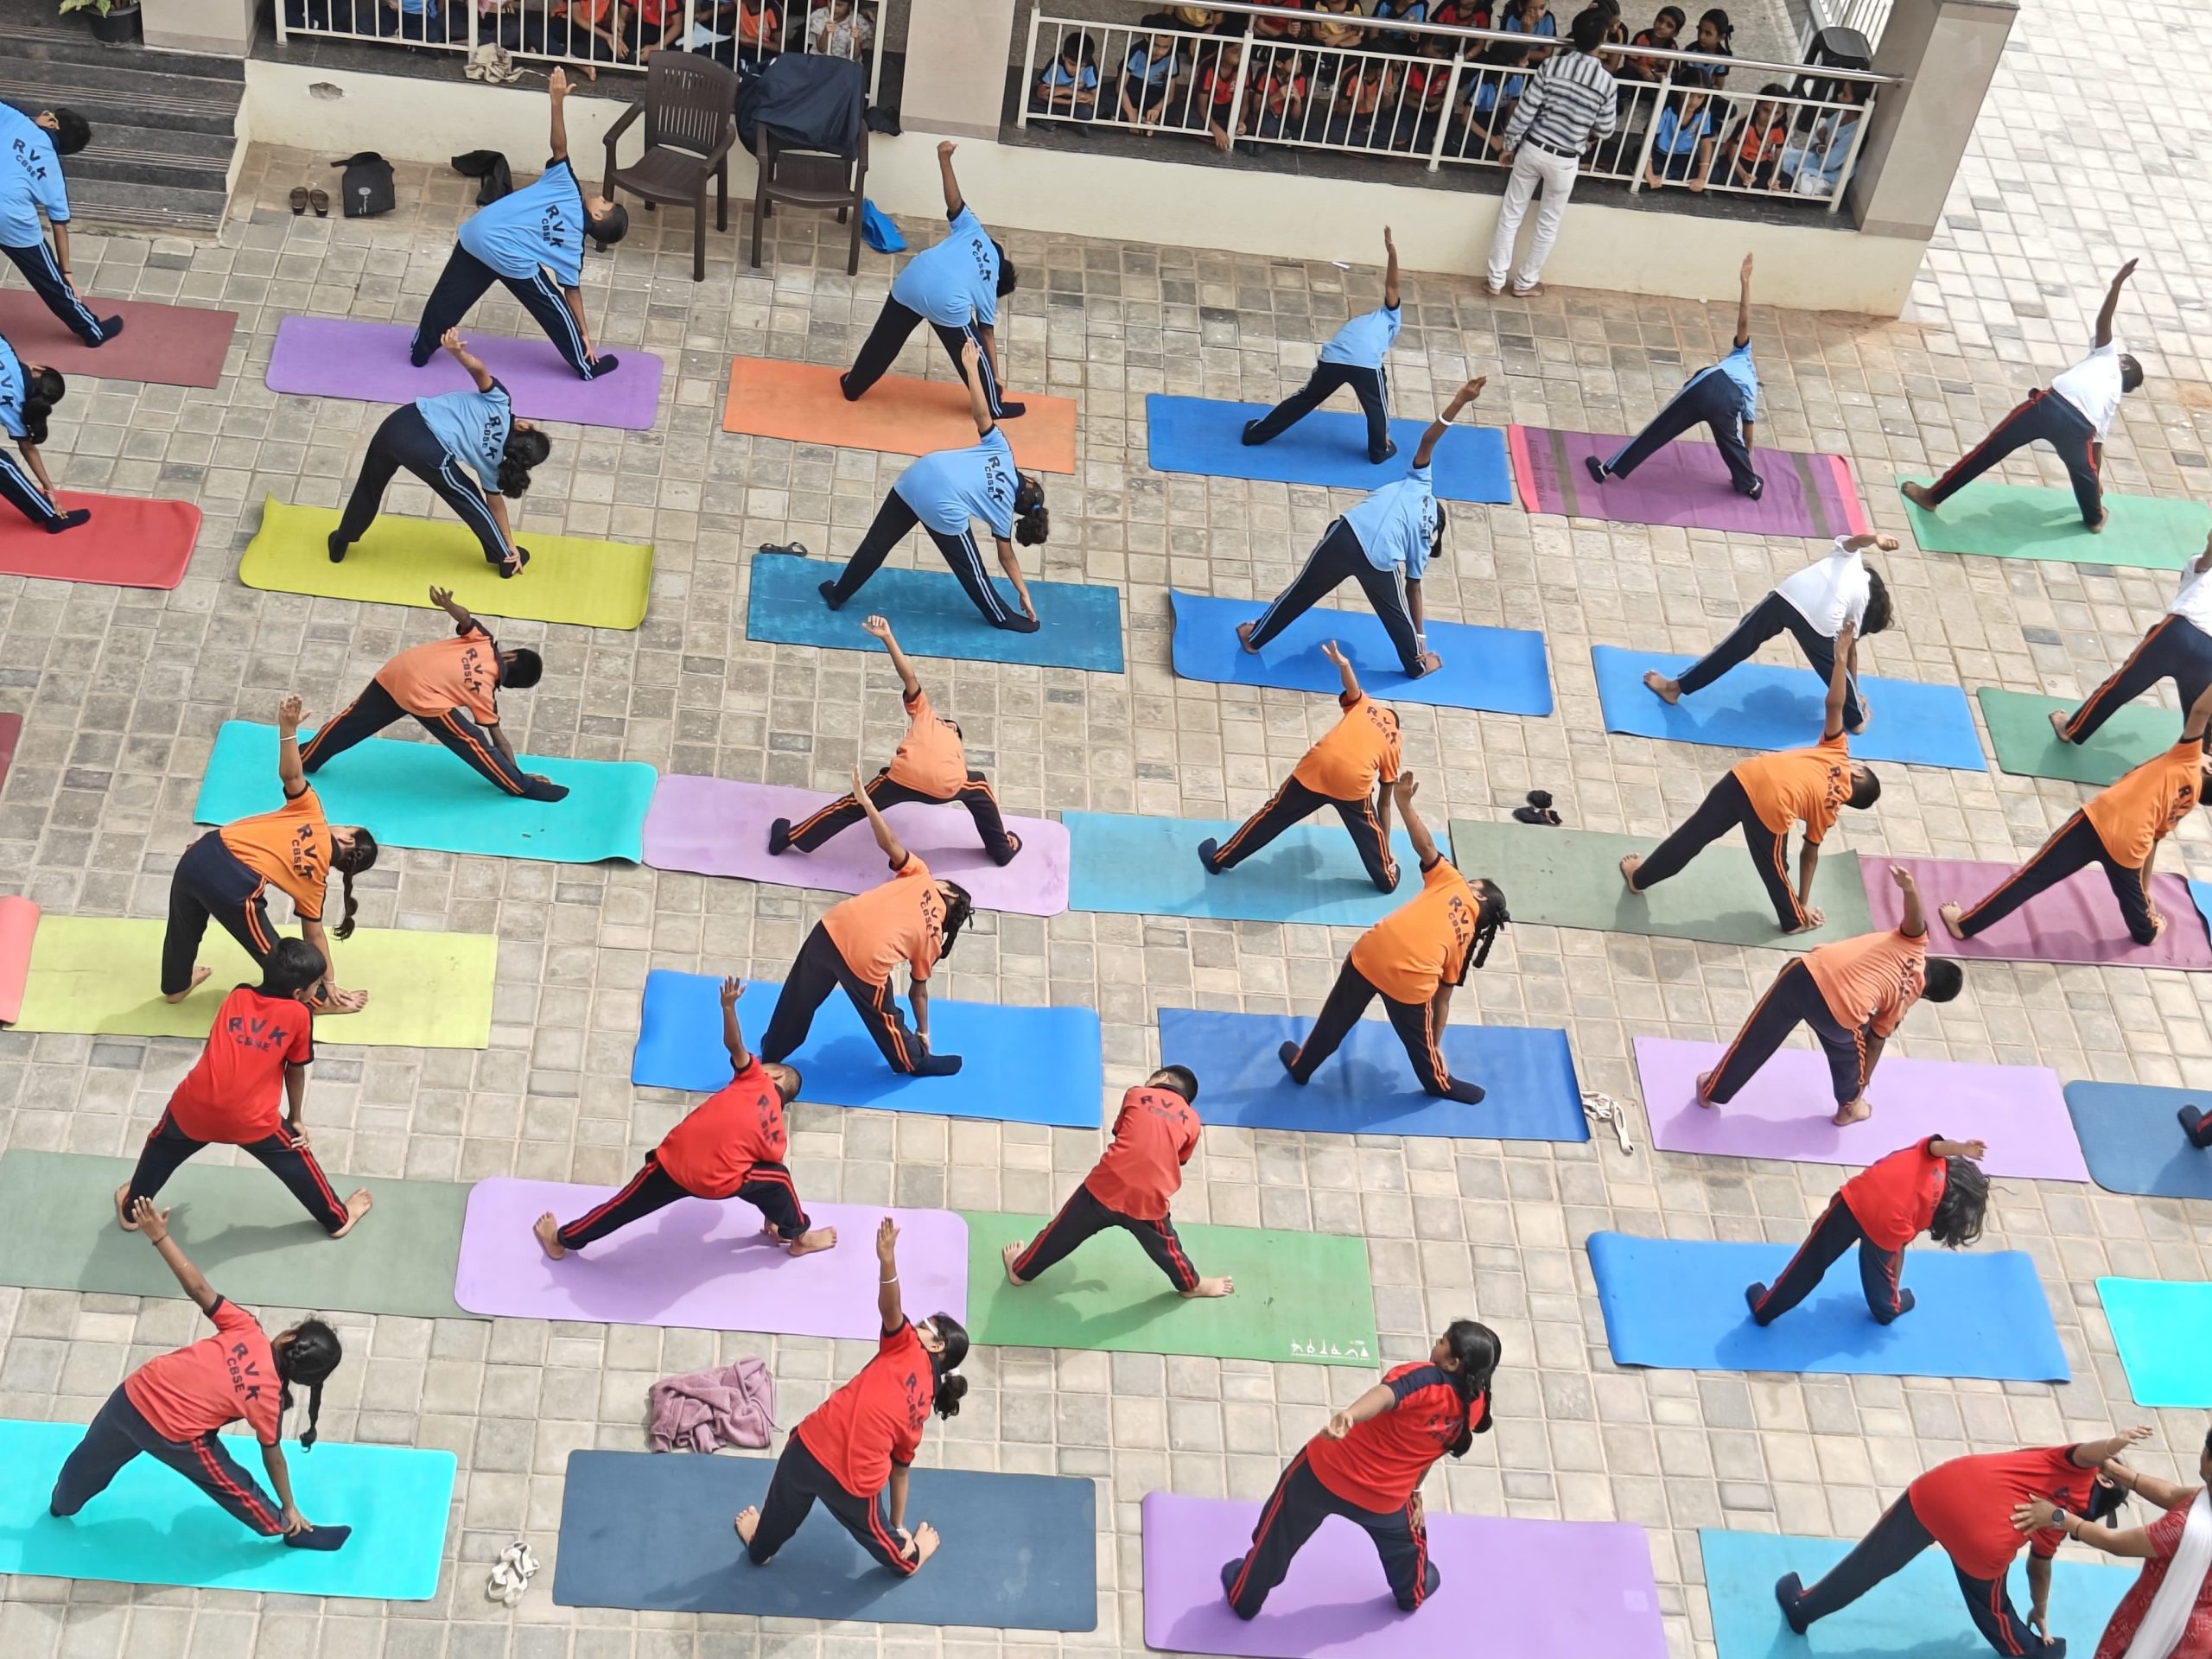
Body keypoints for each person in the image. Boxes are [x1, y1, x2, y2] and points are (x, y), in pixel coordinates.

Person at [48, 1198, 352, 1550]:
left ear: (288, 1336)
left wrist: (159, 1236)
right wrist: (289, 1505)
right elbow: (273, 1456)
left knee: (90, 1460)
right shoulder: (268, 1399)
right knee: (235, 1486)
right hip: (173, 1434)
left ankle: (61, 1504)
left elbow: (198, 1288)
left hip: (134, 1394)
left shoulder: (246, 1328)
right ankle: (289, 1529)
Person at [1775, 1427, 2154, 1656]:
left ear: (2104, 1478)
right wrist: (2040, 1610)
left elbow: (2089, 1451)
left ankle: (1802, 1607)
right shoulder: (2064, 1520)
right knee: (1995, 1612)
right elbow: (2039, 1566)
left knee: (1868, 1565)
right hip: (1982, 1546)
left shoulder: (2078, 1466)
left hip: (1938, 1495)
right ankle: (2035, 1654)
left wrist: (2112, 1445)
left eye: (2114, 1469)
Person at [535, 977, 836, 1261]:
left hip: (671, 1162)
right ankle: (797, 1236)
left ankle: (560, 1240)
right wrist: (773, 1217)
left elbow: (734, 1046)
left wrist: (728, 1007)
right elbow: (767, 1179)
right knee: (778, 1177)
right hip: (711, 1181)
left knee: (620, 1207)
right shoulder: (776, 1135)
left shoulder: (755, 1077)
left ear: (776, 1073)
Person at [735, 1217, 969, 1576]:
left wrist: (900, 1527)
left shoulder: (915, 1374)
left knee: (772, 1529)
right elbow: (900, 1472)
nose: (917, 1325)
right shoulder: (910, 1370)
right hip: (846, 1479)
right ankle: (909, 1552)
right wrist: (887, 1261)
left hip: (808, 1450)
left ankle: (762, 1544)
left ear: (937, 1346)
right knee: (899, 1558)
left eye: (927, 1325)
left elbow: (900, 1472)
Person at [1222, 1319, 1500, 1618]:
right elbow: (1428, 1450)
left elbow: (1386, 1395)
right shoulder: (1474, 1408)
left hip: (1322, 1474)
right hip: (1385, 1501)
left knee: (1275, 1537)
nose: (1437, 1341)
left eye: (1443, 1341)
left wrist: (1350, 1415)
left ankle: (1246, 1595)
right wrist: (1415, 1491)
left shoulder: (1424, 1377)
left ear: (1453, 1362)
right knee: (1408, 1552)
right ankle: (1412, 1593)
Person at [1622, 625, 1877, 933]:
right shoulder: (1829, 810)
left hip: (1746, 776)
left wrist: (1839, 660)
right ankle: (1795, 918)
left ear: (1859, 771)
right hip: (1770, 806)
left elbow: (1834, 704)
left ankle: (1639, 878)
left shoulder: (1837, 751)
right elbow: (1809, 856)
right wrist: (1803, 899)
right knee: (1775, 868)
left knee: (1693, 836)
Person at [117, 938, 374, 1239]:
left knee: (159, 1147)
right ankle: (337, 1218)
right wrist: (296, 1119)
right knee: (296, 1156)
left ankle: (131, 1211)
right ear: (297, 993)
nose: (316, 992)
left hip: (193, 1106)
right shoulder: (299, 1014)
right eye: (315, 987)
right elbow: (295, 1070)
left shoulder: (238, 994)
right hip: (252, 1120)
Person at [1279, 776, 1507, 1104]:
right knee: (1421, 1047)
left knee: (1334, 1021)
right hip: (1409, 983)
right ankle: (1439, 1082)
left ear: (1479, 894)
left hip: (1371, 954)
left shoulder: (1453, 881)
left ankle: (1302, 1066)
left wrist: (1404, 802)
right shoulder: (1467, 938)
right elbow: (1441, 1001)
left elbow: (1425, 846)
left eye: (1475, 881)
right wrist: (1436, 1046)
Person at [1237, 378, 1486, 679]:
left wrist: (1459, 400)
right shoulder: (1423, 539)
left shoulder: (1421, 483)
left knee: (1300, 592)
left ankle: (1254, 638)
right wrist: (1421, 637)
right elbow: (1413, 589)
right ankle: (1418, 664)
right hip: (1378, 562)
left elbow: (1429, 439)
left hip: (1344, 535)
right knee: (1396, 619)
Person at [1942, 681, 2212, 950]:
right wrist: (2145, 889)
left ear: (2209, 770)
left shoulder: (2186, 759)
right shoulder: (2186, 803)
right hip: (2128, 852)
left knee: (2030, 878)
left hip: (2094, 823)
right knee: (2143, 930)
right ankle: (2149, 929)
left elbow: (2200, 711)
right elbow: (2153, 841)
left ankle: (1964, 925)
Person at [1696, 866, 1965, 1127]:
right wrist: (1859, 1092)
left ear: (1932, 958)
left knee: (1758, 1037)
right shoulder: (1903, 1003)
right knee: (1851, 1048)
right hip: (1837, 1014)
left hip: (1801, 973)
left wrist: (1910, 889)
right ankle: (1848, 1109)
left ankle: (1711, 1089)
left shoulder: (1914, 942)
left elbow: (1915, 919)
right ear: (1928, 997)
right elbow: (1874, 1044)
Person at [162, 696, 376, 1014]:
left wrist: (287, 729)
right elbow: (314, 935)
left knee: (183, 925)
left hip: (199, 855)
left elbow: (291, 776)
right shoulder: (315, 883)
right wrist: (329, 983)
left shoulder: (312, 812)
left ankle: (176, 986)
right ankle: (316, 1000)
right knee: (278, 956)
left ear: (346, 837)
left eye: (346, 826)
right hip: (232, 886)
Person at [408, 70, 626, 382]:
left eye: (606, 204)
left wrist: (555, 102)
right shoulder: (568, 215)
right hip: (499, 250)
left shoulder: (568, 189)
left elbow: (560, 150)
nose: (603, 197)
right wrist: (584, 335)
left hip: (476, 235)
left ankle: (419, 352)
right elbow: (570, 294)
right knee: (551, 307)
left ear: (597, 218)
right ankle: (586, 364)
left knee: (447, 299)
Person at [819, 337, 1046, 632]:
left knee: (876, 544)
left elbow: (981, 413)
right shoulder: (1004, 511)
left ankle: (838, 594)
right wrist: (1023, 592)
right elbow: (1006, 557)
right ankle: (1001, 616)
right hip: (940, 502)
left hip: (918, 474)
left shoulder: (1002, 450)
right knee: (971, 569)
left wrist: (971, 369)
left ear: (1028, 480)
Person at [760, 766, 975, 1077]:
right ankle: (915, 1061)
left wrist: (868, 804)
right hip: (864, 960)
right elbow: (919, 992)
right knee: (887, 1019)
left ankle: (772, 1053)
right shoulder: (932, 940)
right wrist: (924, 1032)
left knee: (797, 999)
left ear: (947, 889)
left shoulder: (921, 874)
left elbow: (888, 843)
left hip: (832, 926)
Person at [1903, 261, 2139, 533]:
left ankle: (1932, 497)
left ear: (2124, 365)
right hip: (2080, 428)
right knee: (2083, 475)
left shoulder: (2108, 356)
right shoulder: (2111, 401)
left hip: (2048, 407)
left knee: (1989, 450)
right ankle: (2094, 518)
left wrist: (2116, 286)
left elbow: (2103, 320)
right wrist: (2094, 478)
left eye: (2123, 356)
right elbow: (2095, 447)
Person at [767, 614, 1020, 864]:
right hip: (944, 785)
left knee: (853, 804)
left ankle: (788, 838)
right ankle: (1001, 850)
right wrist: (888, 637)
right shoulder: (951, 741)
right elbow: (910, 679)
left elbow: (909, 677)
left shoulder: (924, 712)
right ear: (957, 733)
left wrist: (888, 638)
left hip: (901, 776)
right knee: (980, 787)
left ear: (950, 726)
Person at [300, 585, 563, 801]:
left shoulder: (482, 640)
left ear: (510, 654)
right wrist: (517, 773)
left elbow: (464, 617)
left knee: (351, 721)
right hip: (421, 695)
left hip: (398, 671)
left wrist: (448, 604)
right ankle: (520, 786)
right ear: (511, 685)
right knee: (474, 741)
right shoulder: (485, 696)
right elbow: (499, 741)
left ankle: (308, 756)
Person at [328, 330, 552, 580]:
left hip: (397, 424)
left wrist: (458, 353)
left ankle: (342, 538)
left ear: (524, 427)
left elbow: (479, 371)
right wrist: (509, 542)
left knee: (369, 487)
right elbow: (495, 506)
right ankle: (504, 558)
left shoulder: (501, 402)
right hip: (426, 449)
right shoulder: (492, 465)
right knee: (468, 497)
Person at [1001, 1064, 1232, 1299]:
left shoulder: (1136, 1093)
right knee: (1168, 1249)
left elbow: (1120, 1130)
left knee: (1060, 1231)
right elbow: (1181, 1158)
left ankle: (1020, 1270)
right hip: (1147, 1200)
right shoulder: (1192, 1120)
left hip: (1105, 1186)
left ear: (1162, 1077)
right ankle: (1191, 1285)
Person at [1642, 532, 1900, 735]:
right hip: (1818, 624)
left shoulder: (1849, 558)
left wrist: (1875, 538)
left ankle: (1674, 688)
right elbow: (1848, 653)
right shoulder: (1861, 606)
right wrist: (1854, 694)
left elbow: (1859, 540)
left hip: (1787, 596)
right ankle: (1856, 718)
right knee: (1838, 674)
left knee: (1734, 646)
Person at [1199, 639, 1403, 892]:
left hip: (1317, 767)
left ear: (1383, 712)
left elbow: (1353, 688)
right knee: (1368, 832)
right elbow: (1384, 803)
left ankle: (1219, 859)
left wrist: (1344, 664)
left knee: (1272, 815)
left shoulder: (1367, 706)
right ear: (1396, 726)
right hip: (1352, 783)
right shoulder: (1395, 743)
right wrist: (1386, 845)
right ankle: (1386, 877)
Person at [842, 142, 1024, 420]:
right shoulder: (988, 286)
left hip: (911, 279)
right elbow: (986, 335)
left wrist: (944, 158)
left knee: (884, 342)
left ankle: (852, 386)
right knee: (969, 354)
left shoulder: (974, 229)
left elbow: (954, 200)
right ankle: (993, 405)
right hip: (945, 299)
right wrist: (997, 377)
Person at [1744, 1134, 1989, 1326]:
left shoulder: (1930, 1155)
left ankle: (1765, 1309)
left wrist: (1962, 1148)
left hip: (1853, 1201)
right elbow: (1898, 1246)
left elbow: (1939, 1147)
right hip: (1885, 1231)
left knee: (1809, 1262)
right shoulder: (1928, 1213)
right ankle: (1889, 1308)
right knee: (1883, 1280)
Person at [2018, 1422, 2212, 1659]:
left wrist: (2058, 1516)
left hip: (2173, 1624)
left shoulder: (2186, 1529)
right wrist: (2114, 1469)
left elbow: (2115, 1544)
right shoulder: (2206, 1497)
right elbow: (2172, 1495)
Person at [1586, 252, 1761, 497]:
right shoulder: (1752, 393)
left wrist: (1745, 283)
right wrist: (1748, 465)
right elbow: (1747, 438)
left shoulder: (1742, 355)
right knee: (1731, 443)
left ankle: (1605, 470)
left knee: (1660, 427)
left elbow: (1743, 323)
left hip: (1706, 384)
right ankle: (1750, 485)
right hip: (1727, 404)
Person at [1484, 4, 1618, 299]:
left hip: (1533, 147)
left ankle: (1495, 280)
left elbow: (1526, 110)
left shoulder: (1551, 66)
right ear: (1602, 39)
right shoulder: (1606, 82)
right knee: (1547, 225)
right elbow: (1607, 128)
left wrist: (1509, 145)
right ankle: (1525, 283)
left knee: (1511, 213)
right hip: (1566, 159)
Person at [1240, 227, 1402, 466]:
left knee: (1305, 399)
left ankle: (1256, 434)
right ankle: (1380, 449)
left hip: (1333, 359)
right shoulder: (1391, 314)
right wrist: (1392, 254)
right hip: (1365, 363)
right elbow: (1392, 286)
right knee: (1377, 406)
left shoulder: (1364, 321)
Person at [2050, 531, 2212, 751]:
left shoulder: (2198, 565)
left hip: (2176, 633)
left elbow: (2204, 561)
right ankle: (2200, 770)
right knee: (2200, 713)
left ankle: (2072, 729)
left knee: (2119, 686)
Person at [0, 103, 118, 346]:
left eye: (47, 114)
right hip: (11, 218)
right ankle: (92, 331)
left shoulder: (16, 119)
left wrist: (30, 120)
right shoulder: (53, 171)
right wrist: (65, 273)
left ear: (52, 122)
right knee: (47, 279)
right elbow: (59, 225)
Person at [0, 329, 87, 532]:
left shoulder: (6, 352)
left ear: (37, 368)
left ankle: (50, 516)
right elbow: (28, 448)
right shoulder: (20, 410)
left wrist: (21, 367)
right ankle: (52, 516)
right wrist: (49, 488)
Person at [1031, 33, 1101, 118]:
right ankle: (1066, 122)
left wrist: (1065, 90)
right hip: (1055, 100)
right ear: (1064, 57)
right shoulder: (1056, 64)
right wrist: (1067, 102)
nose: (1076, 70)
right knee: (1029, 101)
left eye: (1081, 66)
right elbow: (1041, 93)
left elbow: (1094, 98)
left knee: (1086, 111)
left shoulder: (1089, 67)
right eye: (1072, 64)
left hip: (1076, 103)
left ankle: (1052, 119)